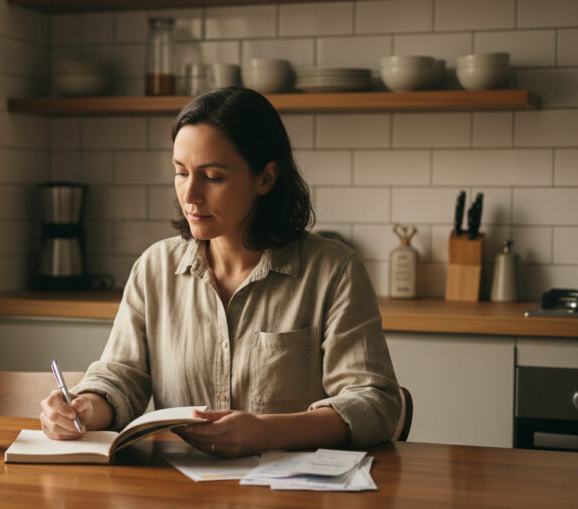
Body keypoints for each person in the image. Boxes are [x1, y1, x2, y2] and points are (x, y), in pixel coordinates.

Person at [39, 87, 401, 458]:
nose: (190, 194)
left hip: (295, 499)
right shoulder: (155, 268)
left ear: (266, 179)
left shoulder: (333, 271)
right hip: (179, 499)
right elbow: (120, 378)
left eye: (212, 177)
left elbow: (375, 403)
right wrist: (82, 409)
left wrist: (266, 432)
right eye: (181, 173)